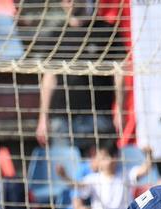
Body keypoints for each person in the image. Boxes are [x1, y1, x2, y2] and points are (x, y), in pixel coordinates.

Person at [35, 0, 126, 151]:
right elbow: (49, 78)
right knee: (64, 168)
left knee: (99, 171)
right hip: (62, 119)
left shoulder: (106, 31)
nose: (68, 3)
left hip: (98, 117)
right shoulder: (56, 35)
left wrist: (121, 112)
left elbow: (119, 75)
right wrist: (43, 118)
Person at [57, 142, 154, 209]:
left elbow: (144, 170)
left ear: (116, 157)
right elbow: (77, 185)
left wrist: (149, 156)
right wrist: (65, 177)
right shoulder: (93, 180)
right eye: (103, 157)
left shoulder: (126, 175)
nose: (108, 161)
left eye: (110, 156)